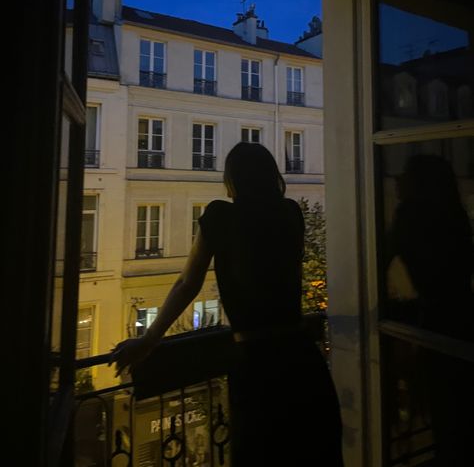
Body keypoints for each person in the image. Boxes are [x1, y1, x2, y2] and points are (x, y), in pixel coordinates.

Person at [110, 142, 344, 466]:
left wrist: (150, 340)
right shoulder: (290, 212)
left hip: (257, 362)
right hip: (303, 356)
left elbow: (187, 284)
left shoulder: (220, 216)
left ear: (232, 178)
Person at [386, 153, 474, 466]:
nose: (396, 179)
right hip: (462, 321)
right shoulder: (454, 215)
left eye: (405, 173)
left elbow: (381, 257)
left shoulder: (411, 214)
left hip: (437, 327)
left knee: (447, 416)